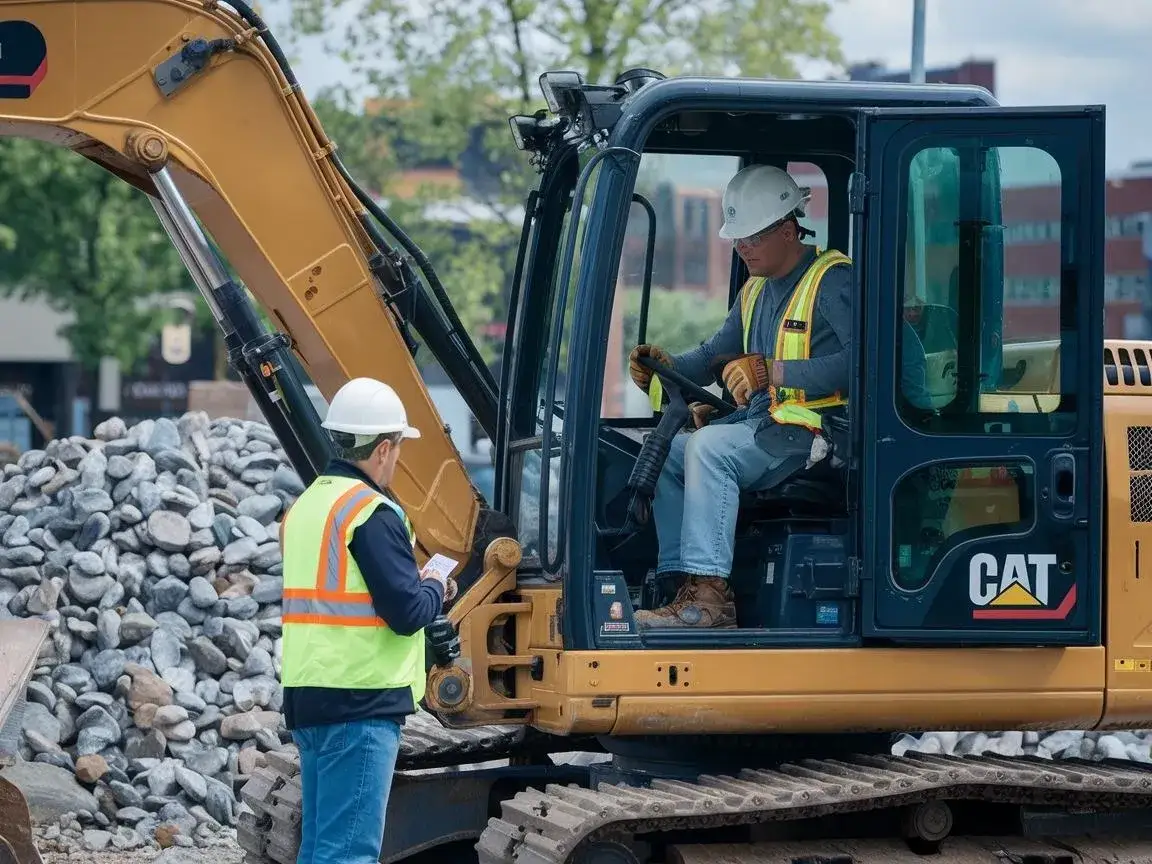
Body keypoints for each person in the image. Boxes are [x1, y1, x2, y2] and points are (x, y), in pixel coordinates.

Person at [628, 164, 853, 630]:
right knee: (670, 448)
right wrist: (664, 367)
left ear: (789, 230)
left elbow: (864, 363)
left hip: (819, 434)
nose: (741, 247)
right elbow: (714, 354)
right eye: (737, 238)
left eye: (751, 236)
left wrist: (773, 372)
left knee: (709, 448)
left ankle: (710, 601)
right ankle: (683, 585)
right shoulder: (754, 290)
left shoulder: (833, 282)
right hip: (769, 428)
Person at [280, 377, 451, 864]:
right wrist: (437, 585)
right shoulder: (371, 512)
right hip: (360, 703)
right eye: (398, 448)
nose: (396, 460)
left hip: (309, 695)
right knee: (348, 853)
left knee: (320, 849)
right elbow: (408, 612)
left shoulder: (310, 505)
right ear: (382, 449)